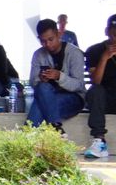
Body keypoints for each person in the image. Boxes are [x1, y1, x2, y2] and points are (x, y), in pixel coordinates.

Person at [27, 18, 86, 131]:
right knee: (42, 87)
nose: (47, 44)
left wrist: (59, 76)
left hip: (74, 98)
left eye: (51, 39)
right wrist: (40, 78)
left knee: (40, 106)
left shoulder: (74, 53)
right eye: (43, 41)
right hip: (47, 95)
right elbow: (33, 82)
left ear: (58, 34)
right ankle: (56, 127)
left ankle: (27, 137)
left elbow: (79, 85)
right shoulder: (38, 54)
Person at [79, 14, 116, 160]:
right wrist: (104, 57)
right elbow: (96, 81)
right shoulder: (95, 50)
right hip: (104, 99)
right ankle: (99, 141)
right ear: (107, 31)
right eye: (114, 33)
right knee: (96, 91)